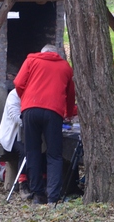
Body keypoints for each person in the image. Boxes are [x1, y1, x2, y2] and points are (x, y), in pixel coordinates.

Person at [14, 44, 76, 205]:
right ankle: (53, 197)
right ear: (57, 54)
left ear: (43, 53)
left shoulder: (31, 60)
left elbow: (19, 83)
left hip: (30, 110)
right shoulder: (65, 67)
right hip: (53, 111)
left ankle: (37, 194)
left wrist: (25, 100)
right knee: (54, 154)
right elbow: (70, 95)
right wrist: (68, 114)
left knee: (32, 151)